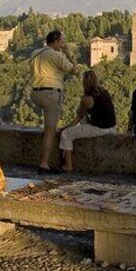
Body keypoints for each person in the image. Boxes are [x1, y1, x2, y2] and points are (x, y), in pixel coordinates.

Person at [30, 30, 83, 174]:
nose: (64, 43)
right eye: (62, 41)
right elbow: (75, 70)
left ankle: (44, 161)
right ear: (56, 42)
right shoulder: (56, 55)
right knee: (50, 131)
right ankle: (44, 164)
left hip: (35, 93)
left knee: (47, 128)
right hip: (51, 94)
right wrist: (67, 54)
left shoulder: (35, 53)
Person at [58, 70, 117, 172]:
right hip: (111, 127)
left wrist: (66, 128)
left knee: (66, 134)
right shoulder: (104, 92)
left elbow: (79, 116)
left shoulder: (87, 99)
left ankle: (68, 166)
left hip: (99, 128)